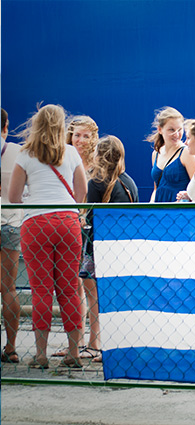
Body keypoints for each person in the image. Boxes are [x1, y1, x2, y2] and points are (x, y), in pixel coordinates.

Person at [8, 104, 87, 369]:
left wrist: (35, 198)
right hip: (67, 223)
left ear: (36, 124)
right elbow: (81, 192)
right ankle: (74, 353)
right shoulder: (73, 153)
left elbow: (14, 197)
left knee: (41, 290)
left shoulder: (25, 154)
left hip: (36, 225)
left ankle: (40, 355)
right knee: (69, 290)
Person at [79, 135, 139, 363]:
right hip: (124, 247)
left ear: (97, 156)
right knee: (120, 297)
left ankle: (98, 344)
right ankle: (122, 345)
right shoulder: (129, 182)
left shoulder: (96, 182)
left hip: (100, 247)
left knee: (96, 295)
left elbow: (92, 216)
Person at [51, 115, 100, 358]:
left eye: (85, 135)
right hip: (69, 227)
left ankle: (95, 342)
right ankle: (75, 341)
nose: (79, 140)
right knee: (72, 287)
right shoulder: (63, 159)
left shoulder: (97, 164)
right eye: (76, 135)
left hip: (90, 230)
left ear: (93, 138)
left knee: (91, 287)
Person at [1, 108, 24, 364]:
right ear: (6, 127)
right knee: (8, 288)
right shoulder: (17, 152)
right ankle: (11, 348)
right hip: (10, 223)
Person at [149, 107, 195, 202]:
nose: (176, 134)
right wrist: (151, 207)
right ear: (160, 129)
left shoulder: (187, 153)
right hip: (159, 212)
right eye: (171, 130)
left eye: (180, 129)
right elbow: (156, 188)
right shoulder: (156, 154)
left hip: (180, 213)